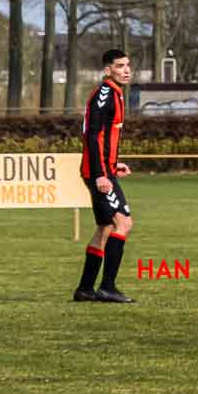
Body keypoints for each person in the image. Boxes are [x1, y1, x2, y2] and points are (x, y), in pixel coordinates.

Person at [75, 50, 135, 304]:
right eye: (120, 66)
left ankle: (85, 289)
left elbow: (103, 137)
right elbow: (92, 135)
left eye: (128, 65)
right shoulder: (105, 94)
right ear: (107, 70)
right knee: (123, 223)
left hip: (104, 169)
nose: (126, 70)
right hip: (98, 173)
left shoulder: (115, 93)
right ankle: (108, 287)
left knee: (105, 228)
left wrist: (113, 164)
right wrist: (101, 173)